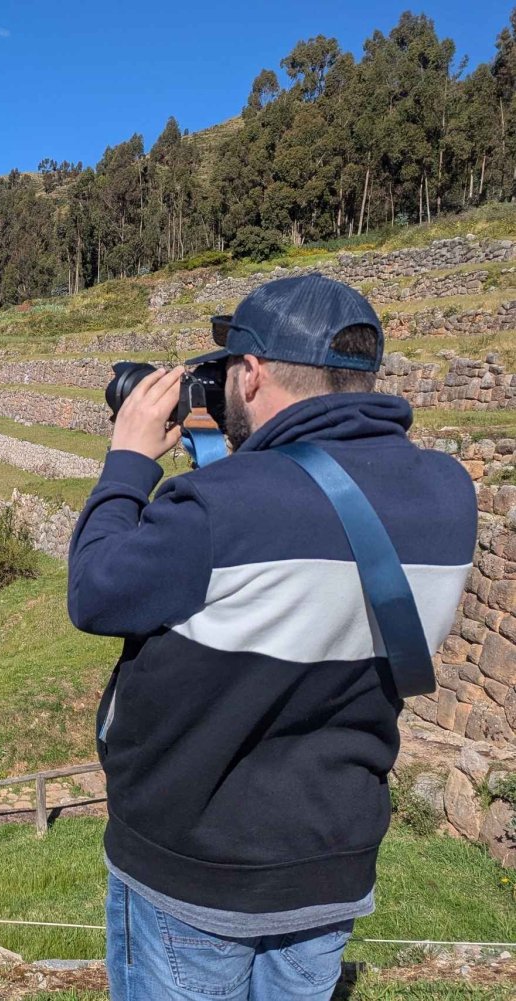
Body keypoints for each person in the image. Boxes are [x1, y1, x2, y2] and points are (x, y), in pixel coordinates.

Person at [67, 274, 476, 1000]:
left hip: (193, 870)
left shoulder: (220, 507)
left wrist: (129, 459)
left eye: (228, 369)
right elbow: (300, 518)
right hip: (330, 863)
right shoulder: (449, 494)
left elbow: (95, 591)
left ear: (252, 373)